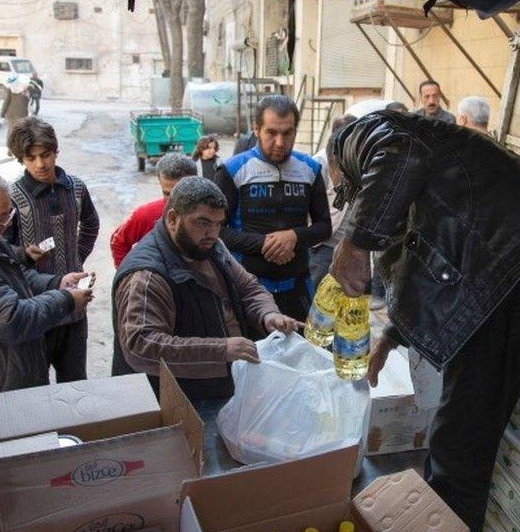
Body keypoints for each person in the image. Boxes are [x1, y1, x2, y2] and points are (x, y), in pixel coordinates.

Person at [328, 111, 520, 532]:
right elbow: (417, 258)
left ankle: (447, 529)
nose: (347, 200)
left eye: (344, 193)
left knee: (459, 442)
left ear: (341, 164)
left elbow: (403, 155)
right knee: (465, 427)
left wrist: (355, 242)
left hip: (514, 276)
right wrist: (392, 336)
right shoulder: (421, 161)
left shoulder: (363, 135)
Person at [111, 177, 302, 401]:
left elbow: (248, 288)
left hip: (218, 389)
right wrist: (220, 351)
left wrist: (268, 314)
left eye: (218, 223)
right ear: (173, 218)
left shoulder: (212, 246)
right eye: (202, 222)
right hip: (171, 403)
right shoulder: (147, 276)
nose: (212, 232)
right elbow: (141, 346)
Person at [0, 167, 93, 393]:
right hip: (6, 381)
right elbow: (12, 319)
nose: (7, 224)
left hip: (21, 368)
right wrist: (65, 299)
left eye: (9, 214)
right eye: (0, 218)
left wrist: (57, 283)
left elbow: (18, 277)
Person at [214, 95, 331, 321]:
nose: (280, 142)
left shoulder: (310, 169)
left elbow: (324, 227)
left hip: (297, 286)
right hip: (248, 287)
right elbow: (217, 230)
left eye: (288, 133)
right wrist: (265, 244)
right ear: (256, 129)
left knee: (303, 353)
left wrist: (294, 237)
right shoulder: (232, 170)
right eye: (271, 133)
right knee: (250, 355)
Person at [4, 117, 100, 383]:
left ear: (56, 151)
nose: (40, 164)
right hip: (35, 311)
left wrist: (76, 255)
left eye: (45, 155)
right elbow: (1, 252)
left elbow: (91, 223)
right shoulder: (13, 197)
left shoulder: (76, 188)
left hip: (74, 312)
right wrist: (22, 254)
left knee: (75, 382)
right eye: (30, 157)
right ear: (20, 159)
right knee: (36, 386)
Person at [110, 153, 198, 267]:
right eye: (167, 194)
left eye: (182, 193)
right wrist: (127, 275)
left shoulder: (211, 215)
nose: (174, 201)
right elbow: (118, 242)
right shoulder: (146, 215)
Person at [309, 114, 357, 291]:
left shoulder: (358, 156)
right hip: (324, 247)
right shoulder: (319, 163)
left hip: (349, 245)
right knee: (316, 294)